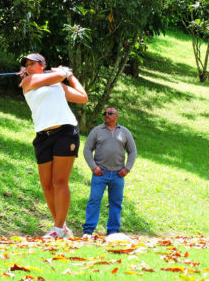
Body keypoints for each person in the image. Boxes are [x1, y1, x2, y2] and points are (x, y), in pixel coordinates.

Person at [19, 53, 88, 238]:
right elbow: (57, 75)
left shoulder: (57, 84)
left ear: (43, 65)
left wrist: (71, 77)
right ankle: (62, 228)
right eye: (27, 65)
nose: (30, 67)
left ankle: (58, 229)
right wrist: (63, 71)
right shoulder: (28, 81)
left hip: (65, 132)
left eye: (34, 63)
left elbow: (83, 97)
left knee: (59, 181)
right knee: (46, 184)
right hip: (42, 135)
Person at [82, 107, 137, 238]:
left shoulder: (124, 132)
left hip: (118, 174)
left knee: (116, 203)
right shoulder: (97, 131)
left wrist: (127, 168)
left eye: (110, 113)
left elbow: (133, 151)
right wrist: (93, 167)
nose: (107, 115)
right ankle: (88, 231)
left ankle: (112, 231)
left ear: (116, 116)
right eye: (105, 113)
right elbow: (87, 150)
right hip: (100, 173)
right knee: (94, 201)